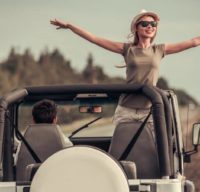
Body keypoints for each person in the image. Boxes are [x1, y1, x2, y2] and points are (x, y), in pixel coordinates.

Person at [50, 10, 200, 128]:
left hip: (150, 109)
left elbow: (194, 41)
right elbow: (95, 39)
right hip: (126, 108)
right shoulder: (127, 49)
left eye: (153, 24)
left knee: (155, 151)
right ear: (136, 27)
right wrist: (70, 26)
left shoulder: (159, 50)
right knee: (122, 149)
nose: (150, 26)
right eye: (145, 23)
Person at [15, 99, 73, 164]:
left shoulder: (24, 143)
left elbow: (17, 163)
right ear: (55, 120)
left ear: (33, 120)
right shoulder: (65, 142)